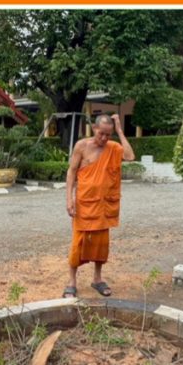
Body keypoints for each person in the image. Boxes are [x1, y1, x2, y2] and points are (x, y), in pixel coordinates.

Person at [63, 114, 135, 298]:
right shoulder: (82, 146)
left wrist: (119, 129)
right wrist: (69, 199)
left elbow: (130, 156)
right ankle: (72, 281)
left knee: (101, 245)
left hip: (103, 205)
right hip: (85, 203)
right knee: (78, 243)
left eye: (108, 134)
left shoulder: (113, 147)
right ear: (94, 129)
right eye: (101, 133)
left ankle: (97, 279)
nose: (104, 138)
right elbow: (71, 172)